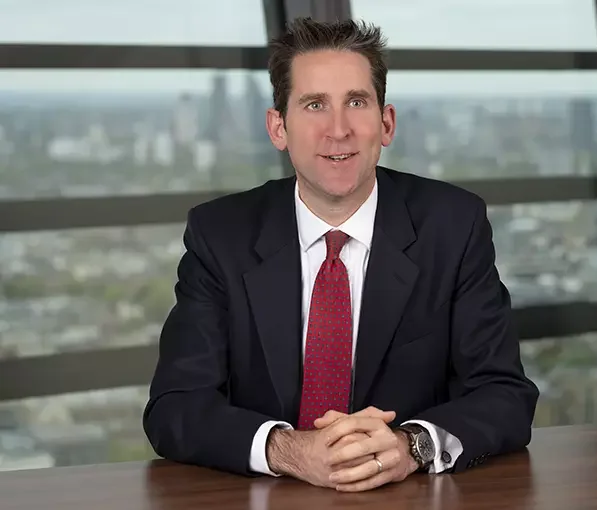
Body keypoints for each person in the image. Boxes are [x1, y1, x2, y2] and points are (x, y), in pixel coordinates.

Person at [143, 17, 539, 493]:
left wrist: (411, 446)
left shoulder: (453, 226)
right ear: (278, 128)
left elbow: (505, 395)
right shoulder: (221, 235)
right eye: (314, 105)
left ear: (386, 122)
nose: (338, 130)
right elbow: (175, 407)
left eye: (356, 102)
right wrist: (289, 450)